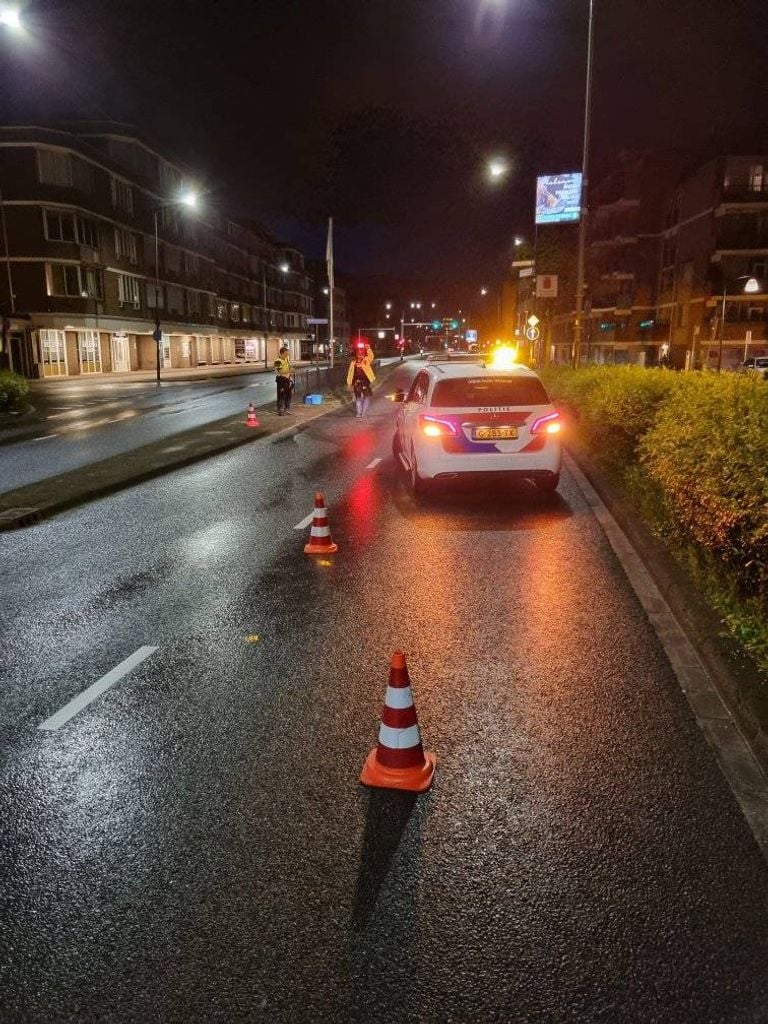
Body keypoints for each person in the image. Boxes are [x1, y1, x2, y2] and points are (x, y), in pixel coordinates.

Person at [347, 347, 375, 418]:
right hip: (357, 383)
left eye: (362, 354)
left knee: (367, 397)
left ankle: (363, 412)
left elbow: (371, 355)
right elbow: (350, 373)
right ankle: (359, 413)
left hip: (366, 382)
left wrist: (368, 348)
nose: (360, 355)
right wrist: (349, 383)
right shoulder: (353, 363)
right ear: (357, 355)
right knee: (358, 398)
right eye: (359, 354)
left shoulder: (366, 360)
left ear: (363, 354)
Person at [273, 345, 293, 415]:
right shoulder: (277, 361)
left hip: (287, 380)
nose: (287, 355)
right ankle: (280, 410)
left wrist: (290, 375)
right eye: (285, 354)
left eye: (287, 354)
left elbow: (289, 367)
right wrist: (289, 371)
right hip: (281, 380)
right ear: (281, 353)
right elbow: (279, 372)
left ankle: (286, 409)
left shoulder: (286, 359)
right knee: (281, 395)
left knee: (288, 395)